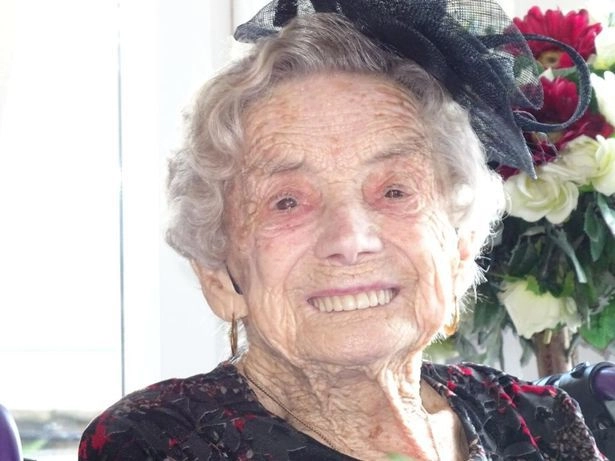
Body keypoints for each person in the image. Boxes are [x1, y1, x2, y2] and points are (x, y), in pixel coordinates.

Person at [79, 1, 605, 459]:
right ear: (218, 276)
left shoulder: (537, 419)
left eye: (394, 191)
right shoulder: (159, 441)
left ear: (460, 246)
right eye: (287, 201)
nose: (350, 239)